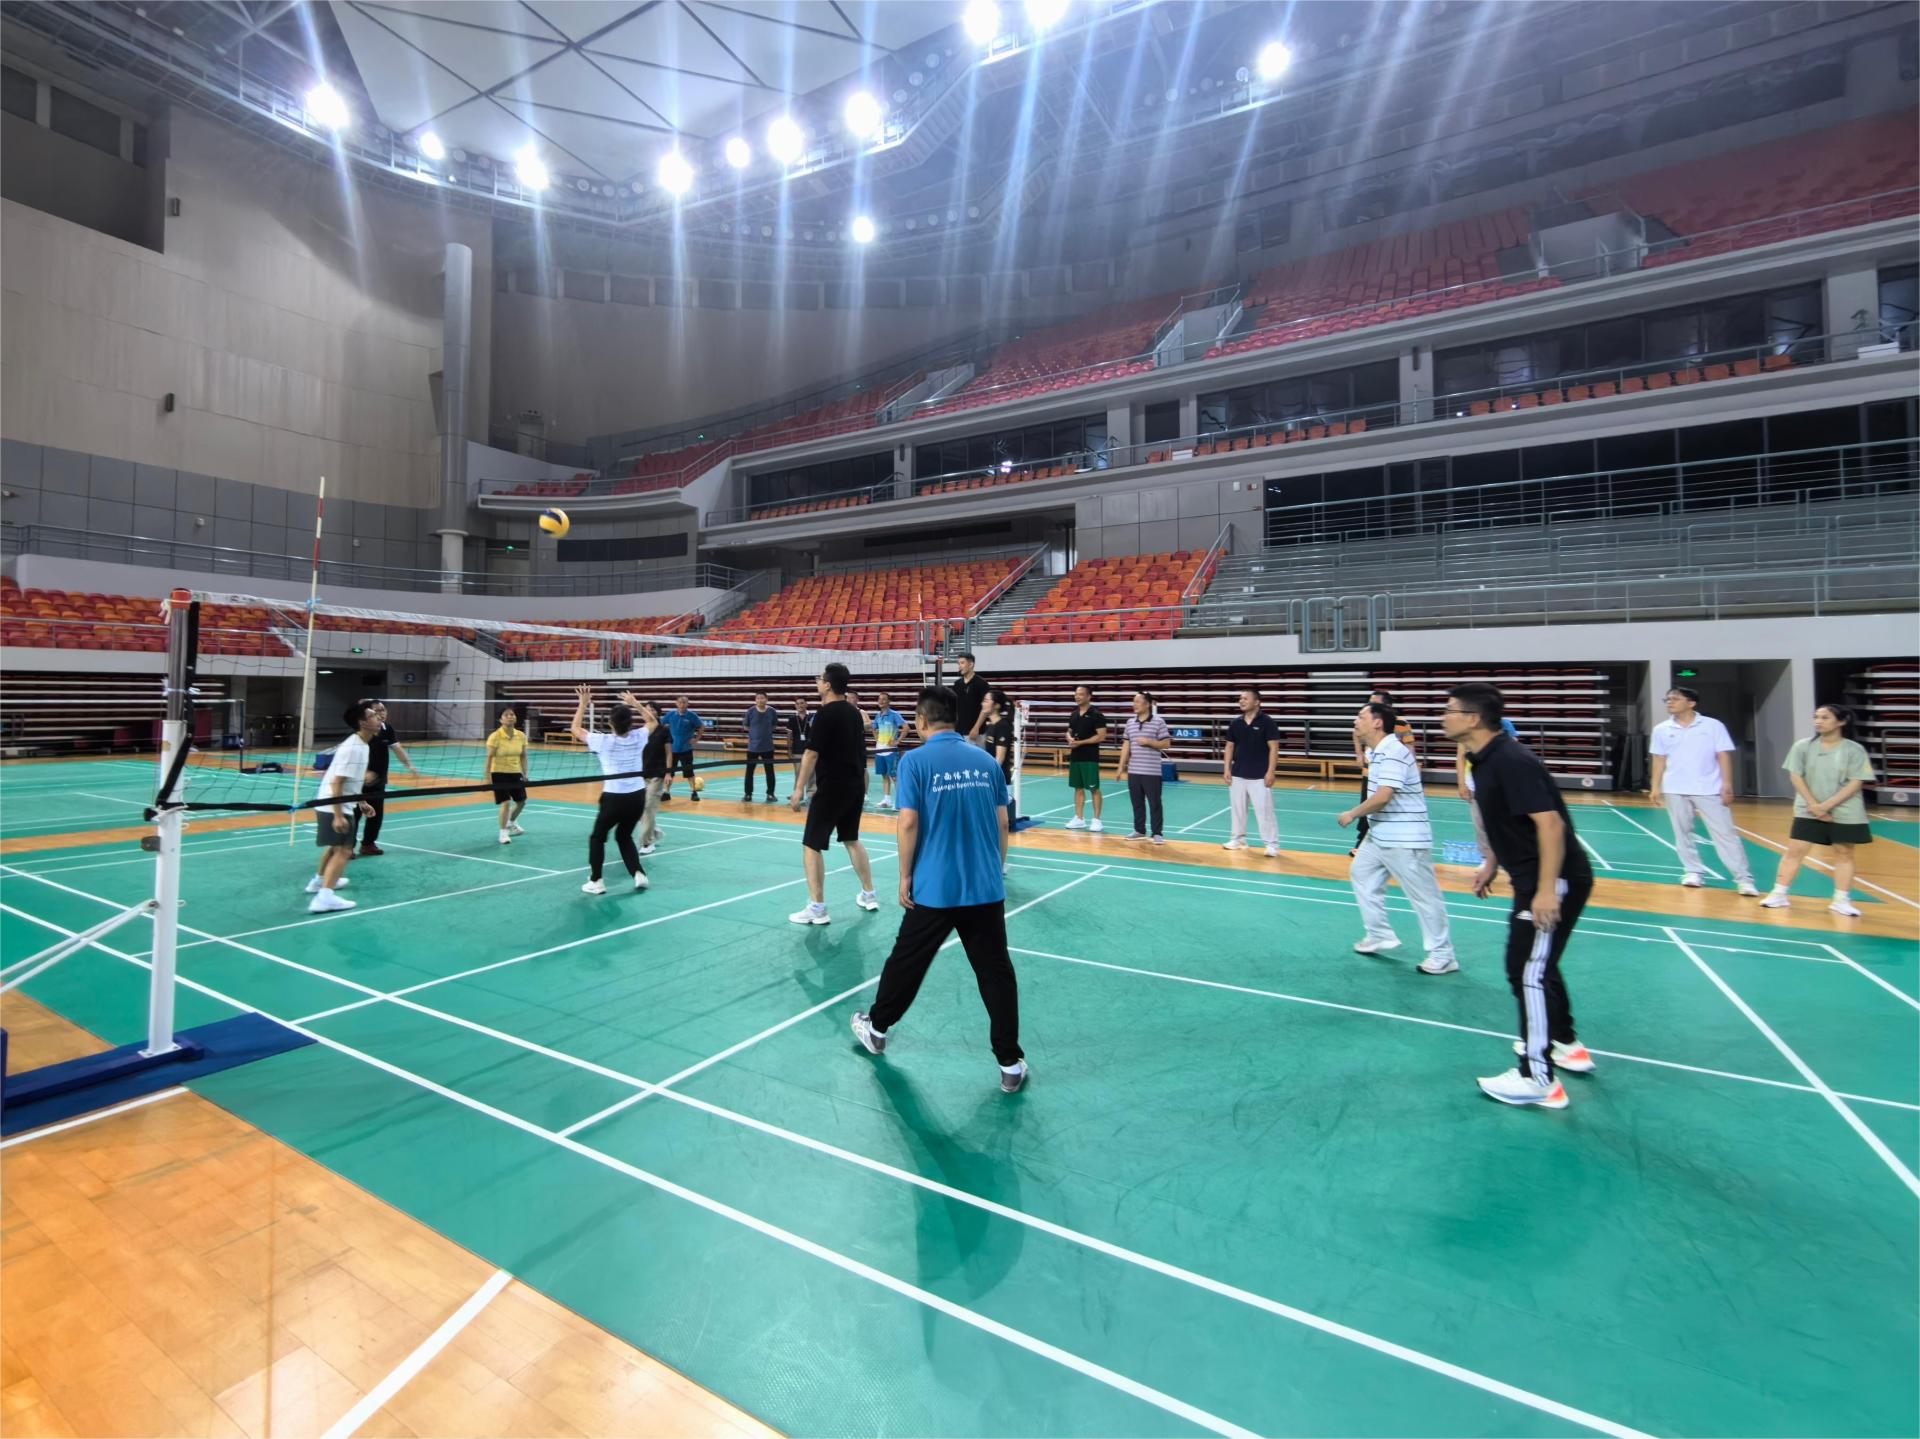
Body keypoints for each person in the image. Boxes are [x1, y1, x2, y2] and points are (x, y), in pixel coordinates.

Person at [850, 685, 1027, 1093]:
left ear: (920, 721)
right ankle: (1010, 1063)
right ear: (956, 719)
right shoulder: (985, 762)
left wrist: (904, 876)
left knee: (907, 962)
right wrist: (993, 869)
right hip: (984, 889)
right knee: (996, 973)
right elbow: (1003, 823)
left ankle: (876, 1030)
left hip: (934, 888)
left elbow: (909, 822)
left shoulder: (914, 761)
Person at [1440, 683, 1596, 1110]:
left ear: (1473, 719)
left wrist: (1546, 890)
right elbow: (1507, 821)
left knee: (1526, 970)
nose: (1443, 717)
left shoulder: (1511, 760)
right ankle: (1564, 1043)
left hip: (1552, 880)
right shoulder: (1483, 760)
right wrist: (1492, 862)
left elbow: (1550, 825)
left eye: (1450, 710)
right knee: (1538, 966)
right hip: (1532, 877)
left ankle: (1537, 1078)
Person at [1339, 701, 1458, 974]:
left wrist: (1352, 814)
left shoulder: (1393, 751)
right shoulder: (1375, 751)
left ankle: (1443, 955)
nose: (1355, 721)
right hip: (1380, 835)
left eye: (1360, 716)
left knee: (1424, 896)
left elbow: (1384, 796)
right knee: (1361, 874)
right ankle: (1379, 934)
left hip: (1405, 837)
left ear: (1377, 722)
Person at [1761, 703, 1876, 917]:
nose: (1818, 721)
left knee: (1844, 853)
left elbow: (1856, 782)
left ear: (1841, 722)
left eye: (1824, 717)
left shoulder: (1854, 749)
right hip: (1808, 809)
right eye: (1816, 717)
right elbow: (1796, 776)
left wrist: (1826, 806)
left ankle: (1841, 900)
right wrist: (1814, 805)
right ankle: (1779, 894)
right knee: (1795, 851)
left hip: (1845, 810)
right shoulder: (1802, 747)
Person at [789, 662, 880, 923]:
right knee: (851, 838)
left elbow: (811, 754)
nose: (817, 682)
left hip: (832, 788)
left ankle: (817, 909)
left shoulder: (825, 714)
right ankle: (869, 895)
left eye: (820, 679)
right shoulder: (854, 712)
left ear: (828, 685)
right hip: (854, 786)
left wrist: (798, 789)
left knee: (811, 845)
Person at [1649, 686, 1760, 895]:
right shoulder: (1661, 729)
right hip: (1675, 788)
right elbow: (1659, 759)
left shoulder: (1713, 726)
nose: (1670, 702)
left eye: (1675, 699)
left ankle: (1744, 879)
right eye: (1668, 699)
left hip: (1709, 788)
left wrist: (1727, 783)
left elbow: (1723, 755)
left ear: (1691, 703)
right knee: (1682, 832)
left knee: (1725, 833)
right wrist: (1655, 787)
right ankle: (1692, 871)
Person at [569, 683, 649, 895]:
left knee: (598, 837)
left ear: (610, 723)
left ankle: (596, 880)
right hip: (638, 796)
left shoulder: (602, 741)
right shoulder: (639, 736)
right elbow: (653, 722)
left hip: (614, 798)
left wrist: (583, 704)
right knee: (624, 836)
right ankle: (638, 874)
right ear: (630, 723)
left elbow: (575, 729)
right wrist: (635, 703)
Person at [306, 699, 380, 913]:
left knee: (335, 848)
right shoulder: (353, 748)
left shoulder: (362, 744)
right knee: (344, 850)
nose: (378, 718)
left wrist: (362, 802)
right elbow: (337, 782)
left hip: (334, 803)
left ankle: (319, 882)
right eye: (373, 715)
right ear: (363, 723)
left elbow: (350, 781)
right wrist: (338, 816)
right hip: (333, 805)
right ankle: (324, 898)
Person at [1352, 688, 1415, 850]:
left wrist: (1411, 767)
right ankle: (1362, 842)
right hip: (1370, 772)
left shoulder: (1400, 724)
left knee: (1384, 805)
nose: (1370, 705)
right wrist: (1359, 754)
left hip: (1391, 773)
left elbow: (1409, 746)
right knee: (1367, 805)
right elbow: (1355, 734)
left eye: (1374, 703)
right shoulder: (1366, 723)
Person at [357, 700, 421, 857]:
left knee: (376, 814)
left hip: (378, 781)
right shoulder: (360, 731)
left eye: (383, 709)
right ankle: (346, 847)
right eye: (377, 711)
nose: (382, 713)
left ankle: (368, 844)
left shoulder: (387, 729)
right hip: (358, 781)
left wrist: (409, 765)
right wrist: (363, 772)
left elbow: (397, 748)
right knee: (354, 813)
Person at [1222, 687, 1280, 858]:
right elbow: (1229, 747)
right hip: (1238, 774)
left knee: (1264, 812)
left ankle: (1272, 844)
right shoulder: (1236, 723)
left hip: (1260, 775)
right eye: (1240, 698)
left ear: (1257, 702)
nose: (1241, 701)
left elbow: (1274, 748)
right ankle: (1238, 839)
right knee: (1238, 810)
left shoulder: (1267, 722)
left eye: (1245, 698)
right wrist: (1226, 769)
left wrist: (1270, 771)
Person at [1117, 690, 1172, 844]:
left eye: (1137, 702)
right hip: (1134, 771)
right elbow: (1126, 745)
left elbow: (1166, 743)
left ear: (1147, 704)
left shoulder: (1159, 722)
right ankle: (1139, 830)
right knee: (1137, 803)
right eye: (1133, 702)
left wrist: (1149, 742)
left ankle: (1157, 833)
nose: (1134, 705)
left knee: (1155, 803)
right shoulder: (1130, 723)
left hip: (1152, 772)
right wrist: (1121, 767)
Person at [1063, 685, 1107, 833]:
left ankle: (1097, 820)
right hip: (1076, 756)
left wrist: (1081, 743)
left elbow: (1101, 736)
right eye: (1076, 694)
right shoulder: (1074, 714)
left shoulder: (1096, 714)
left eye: (1081, 694)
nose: (1077, 696)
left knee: (1094, 788)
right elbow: (1068, 731)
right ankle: (1079, 818)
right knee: (1078, 788)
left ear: (1089, 696)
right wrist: (1069, 738)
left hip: (1090, 757)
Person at [484, 705, 529, 845]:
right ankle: (503, 833)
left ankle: (511, 822)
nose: (510, 717)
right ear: (501, 720)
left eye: (512, 714)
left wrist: (525, 773)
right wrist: (487, 777)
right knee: (506, 802)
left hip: (515, 772)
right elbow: (489, 758)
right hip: (498, 773)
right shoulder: (495, 737)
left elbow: (523, 756)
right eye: (506, 715)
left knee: (521, 802)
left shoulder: (521, 736)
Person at [634, 698, 668, 856]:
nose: (649, 712)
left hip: (657, 774)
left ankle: (647, 843)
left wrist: (669, 772)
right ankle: (653, 829)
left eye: (652, 709)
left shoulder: (663, 730)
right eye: (647, 709)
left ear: (658, 713)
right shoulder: (642, 731)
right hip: (642, 773)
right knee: (638, 808)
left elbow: (669, 752)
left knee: (648, 807)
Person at [983, 688, 1019, 829]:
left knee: (999, 824)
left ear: (996, 705)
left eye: (986, 701)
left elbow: (999, 758)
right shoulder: (990, 726)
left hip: (1000, 780)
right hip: (991, 779)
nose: (983, 704)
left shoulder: (1002, 726)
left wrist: (988, 777)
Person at [661, 696, 707, 802]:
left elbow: (701, 726)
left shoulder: (692, 716)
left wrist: (696, 739)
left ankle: (694, 792)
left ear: (687, 704)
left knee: (689, 772)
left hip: (686, 749)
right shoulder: (671, 715)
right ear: (676, 703)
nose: (682, 705)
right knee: (669, 772)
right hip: (672, 750)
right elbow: (661, 724)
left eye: (684, 702)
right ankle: (666, 792)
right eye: (680, 702)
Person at [871, 690, 906, 809]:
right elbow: (874, 728)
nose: (881, 701)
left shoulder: (894, 715)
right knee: (884, 775)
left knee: (894, 777)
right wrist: (877, 739)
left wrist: (897, 741)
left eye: (884, 699)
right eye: (879, 699)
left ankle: (900, 802)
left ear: (888, 702)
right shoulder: (878, 715)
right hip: (879, 750)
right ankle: (887, 800)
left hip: (891, 751)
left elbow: (906, 728)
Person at [742, 691, 778, 802]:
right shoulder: (750, 711)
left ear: (766, 699)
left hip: (768, 747)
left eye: (762, 698)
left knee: (770, 772)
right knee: (749, 772)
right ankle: (748, 794)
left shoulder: (772, 711)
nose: (760, 700)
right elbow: (746, 726)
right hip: (753, 748)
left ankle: (770, 794)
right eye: (758, 698)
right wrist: (755, 734)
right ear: (755, 700)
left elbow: (774, 725)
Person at [950, 652, 991, 749]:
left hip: (976, 733)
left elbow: (985, 708)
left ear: (971, 664)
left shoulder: (982, 683)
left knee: (977, 758)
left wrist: (976, 728)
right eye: (958, 663)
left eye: (962, 663)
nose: (959, 666)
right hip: (959, 733)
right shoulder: (957, 684)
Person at [785, 697, 812, 800]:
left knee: (811, 772)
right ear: (795, 706)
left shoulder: (812, 717)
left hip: (810, 750)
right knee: (798, 773)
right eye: (798, 704)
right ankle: (798, 794)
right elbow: (789, 735)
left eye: (802, 703)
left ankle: (811, 793)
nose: (800, 705)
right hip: (797, 749)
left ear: (806, 704)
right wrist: (789, 749)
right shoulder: (792, 718)